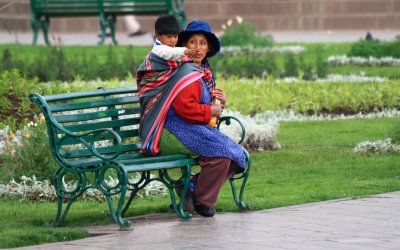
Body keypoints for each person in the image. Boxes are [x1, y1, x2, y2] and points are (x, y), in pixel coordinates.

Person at [136, 20, 247, 217]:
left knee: (237, 154)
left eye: (202, 43)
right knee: (221, 155)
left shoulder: (203, 71)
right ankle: (203, 202)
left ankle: (192, 187)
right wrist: (211, 111)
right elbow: (185, 109)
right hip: (171, 130)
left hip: (192, 127)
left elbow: (205, 105)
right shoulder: (185, 71)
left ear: (209, 47)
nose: (197, 48)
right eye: (192, 42)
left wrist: (219, 104)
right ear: (184, 47)